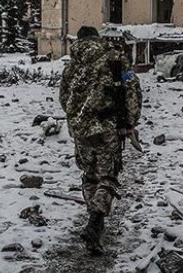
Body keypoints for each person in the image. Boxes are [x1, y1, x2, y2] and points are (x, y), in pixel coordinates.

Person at [59, 26, 143, 255]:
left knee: (90, 175)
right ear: (98, 38)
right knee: (107, 176)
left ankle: (94, 228)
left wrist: (77, 117)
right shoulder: (115, 59)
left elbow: (64, 98)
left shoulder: (72, 66)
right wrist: (130, 122)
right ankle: (95, 222)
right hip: (108, 127)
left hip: (81, 131)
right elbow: (132, 89)